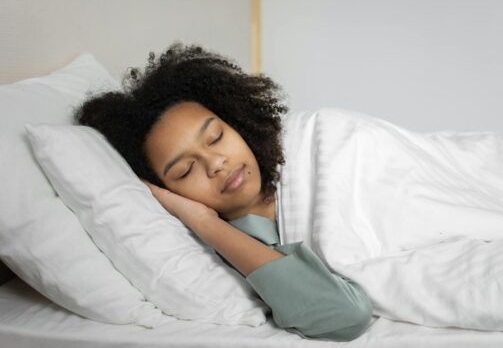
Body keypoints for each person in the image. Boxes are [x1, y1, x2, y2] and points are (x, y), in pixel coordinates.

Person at [73, 42, 373, 341]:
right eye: (185, 171)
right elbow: (345, 316)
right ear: (168, 191)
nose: (216, 163)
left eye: (215, 137)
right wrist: (204, 222)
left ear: (236, 121)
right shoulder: (241, 244)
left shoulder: (308, 147)